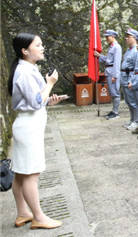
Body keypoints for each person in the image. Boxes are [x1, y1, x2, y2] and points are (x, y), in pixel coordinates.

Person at [8, 33, 65, 230]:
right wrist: (49, 84)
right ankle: (38, 216)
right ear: (25, 51)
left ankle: (23, 213)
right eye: (38, 45)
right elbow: (34, 103)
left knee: (21, 173)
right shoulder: (25, 72)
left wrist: (49, 99)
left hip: (29, 124)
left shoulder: (28, 68)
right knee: (31, 173)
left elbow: (37, 101)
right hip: (28, 127)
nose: (42, 48)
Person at [94, 29, 122, 120]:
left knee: (115, 93)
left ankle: (116, 112)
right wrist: (99, 56)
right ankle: (114, 110)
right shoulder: (111, 47)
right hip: (109, 71)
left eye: (108, 37)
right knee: (112, 93)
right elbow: (108, 60)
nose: (106, 38)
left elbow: (117, 63)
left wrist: (115, 75)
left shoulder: (117, 47)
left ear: (113, 36)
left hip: (112, 72)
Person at [121, 28, 138, 130]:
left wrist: (132, 80)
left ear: (135, 38)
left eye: (129, 37)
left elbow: (136, 67)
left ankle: (136, 121)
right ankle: (132, 119)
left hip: (130, 77)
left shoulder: (137, 50)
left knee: (133, 101)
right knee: (128, 101)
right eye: (126, 37)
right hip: (124, 76)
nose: (126, 39)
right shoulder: (129, 50)